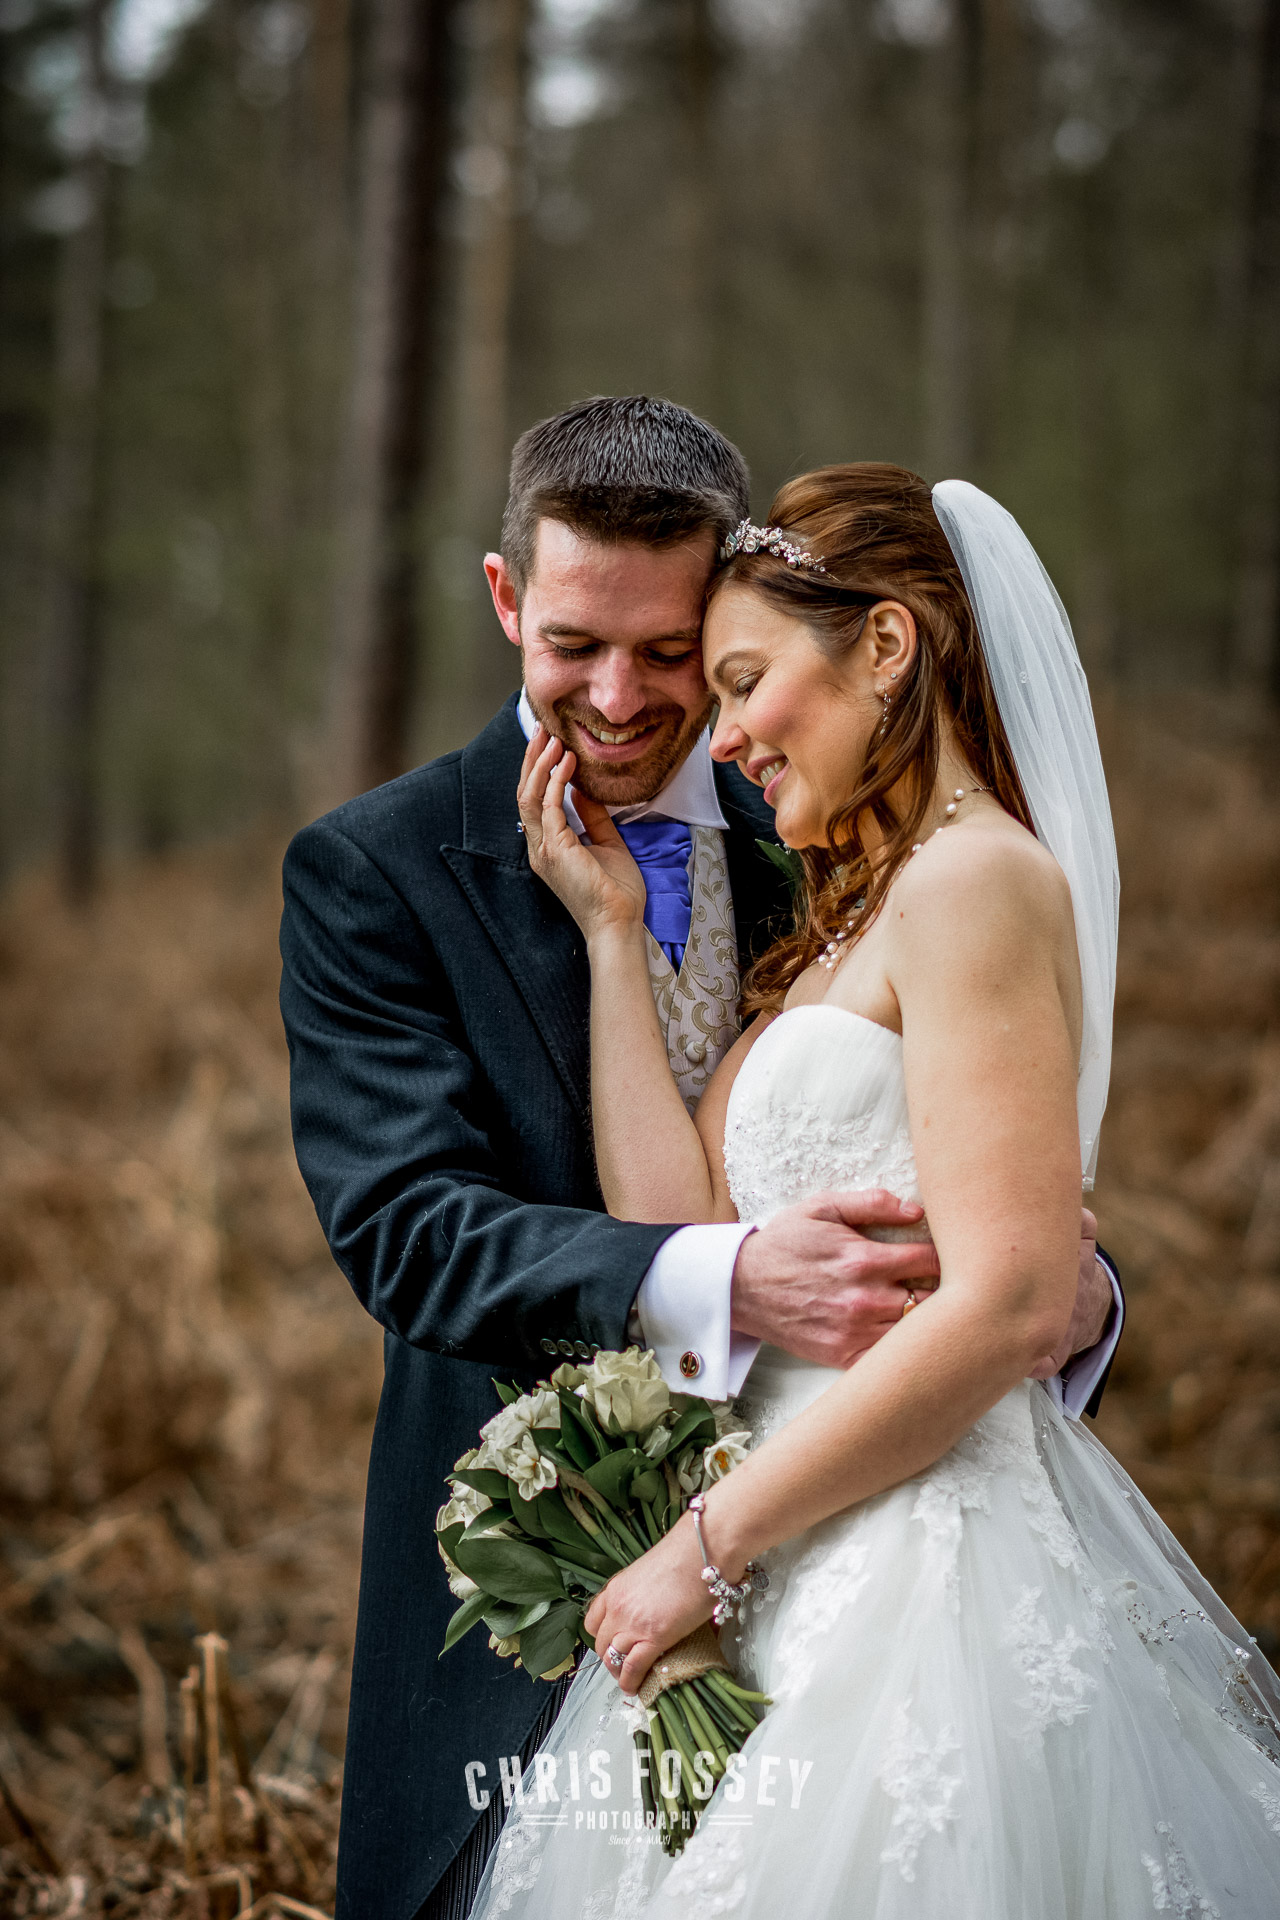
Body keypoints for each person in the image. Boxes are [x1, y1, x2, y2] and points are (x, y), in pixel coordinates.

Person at [279, 402, 1120, 1920]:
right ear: (503, 602)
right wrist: (734, 1276)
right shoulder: (373, 870)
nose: (624, 698)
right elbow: (407, 1230)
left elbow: (970, 1165)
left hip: (871, 1551)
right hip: (537, 1601)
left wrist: (1074, 1288)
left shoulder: (828, 815)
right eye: (573, 644)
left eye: (680, 657)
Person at [467, 462, 1280, 1917]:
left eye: (742, 682)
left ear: (887, 647)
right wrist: (607, 936)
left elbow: (1015, 1296)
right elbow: (680, 1220)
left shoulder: (976, 885)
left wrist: (703, 1548)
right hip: (793, 1539)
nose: (721, 740)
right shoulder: (856, 911)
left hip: (918, 1567)